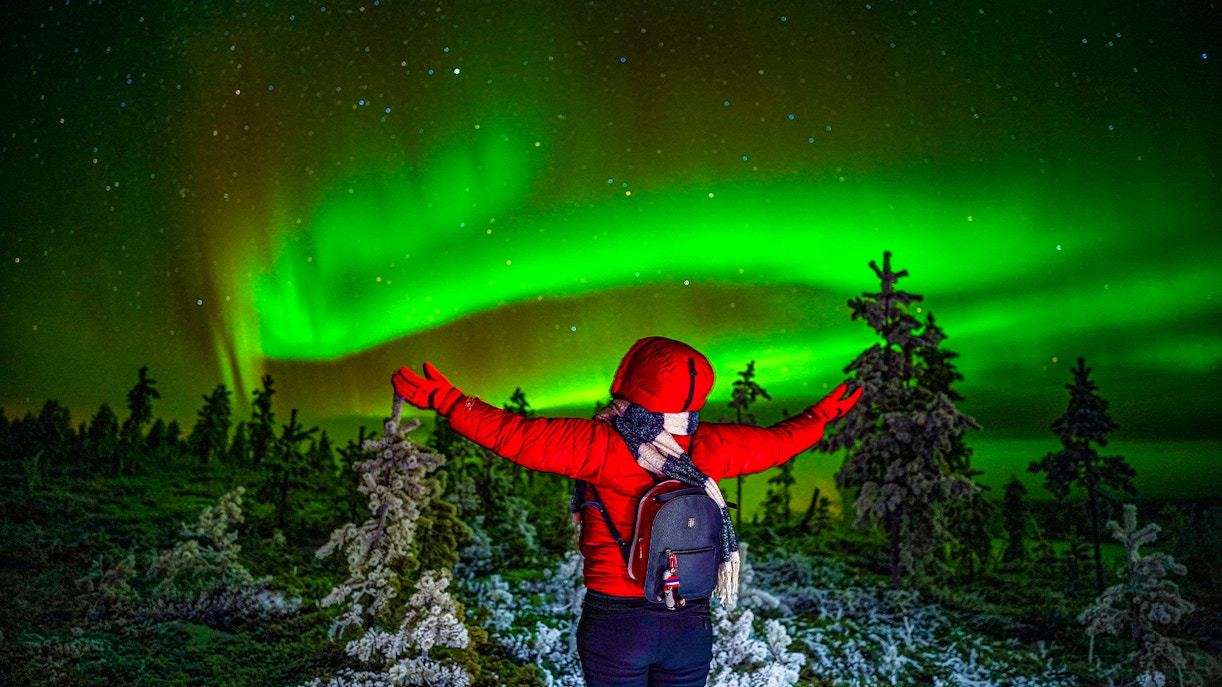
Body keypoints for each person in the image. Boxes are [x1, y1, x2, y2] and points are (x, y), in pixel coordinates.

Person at [392, 336, 861, 687]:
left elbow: (514, 436)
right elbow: (778, 443)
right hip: (689, 624)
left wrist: (449, 401)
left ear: (631, 378)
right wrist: (819, 416)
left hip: (615, 624)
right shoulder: (712, 445)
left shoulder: (600, 443)